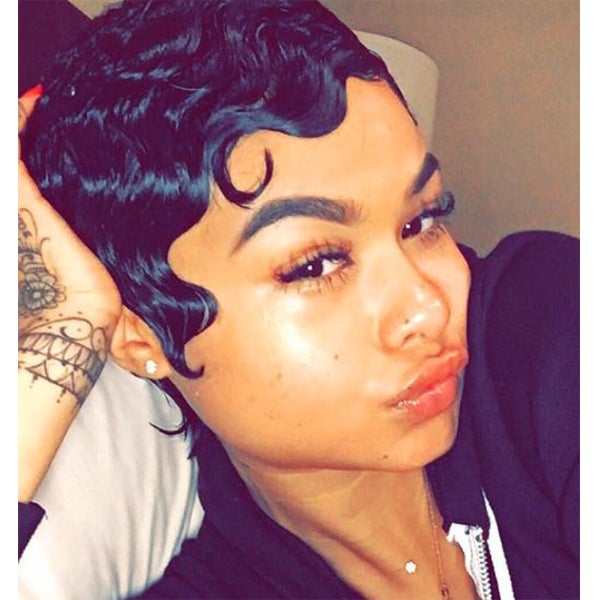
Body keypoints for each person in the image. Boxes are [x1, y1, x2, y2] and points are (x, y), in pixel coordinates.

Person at [18, 1, 579, 598]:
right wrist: (66, 319)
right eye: (315, 264)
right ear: (141, 334)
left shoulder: (548, 331)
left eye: (421, 221)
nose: (429, 307)